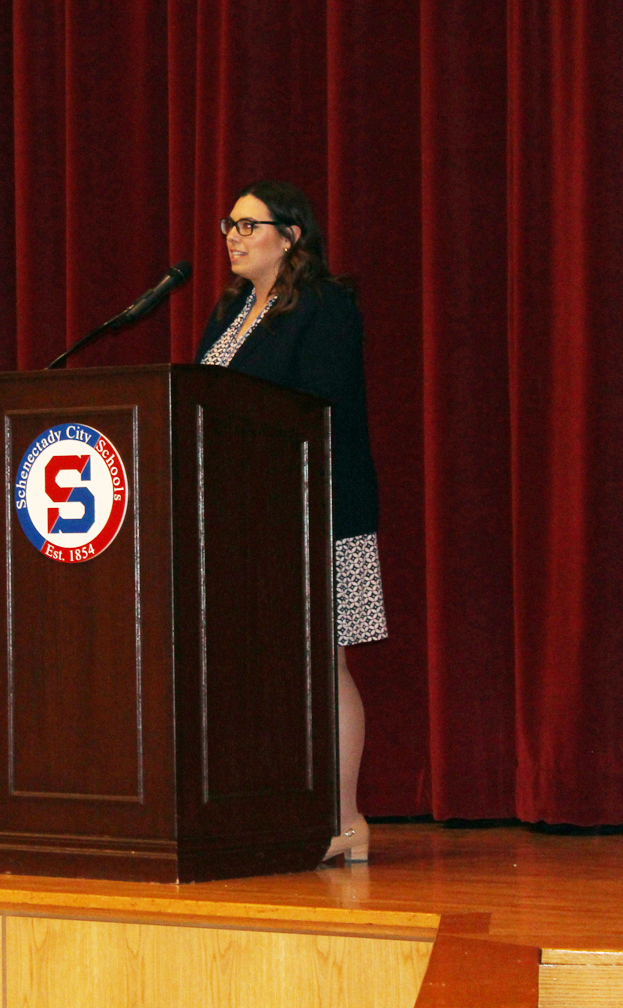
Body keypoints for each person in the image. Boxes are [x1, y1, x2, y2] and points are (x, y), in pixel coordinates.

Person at [194, 180, 387, 865]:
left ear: (292, 236)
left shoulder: (325, 306)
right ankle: (273, 809)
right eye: (229, 226)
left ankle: (346, 820)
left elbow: (319, 409)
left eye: (249, 226)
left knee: (323, 662)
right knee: (262, 668)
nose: (233, 238)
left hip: (318, 510)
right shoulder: (229, 313)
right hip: (241, 519)